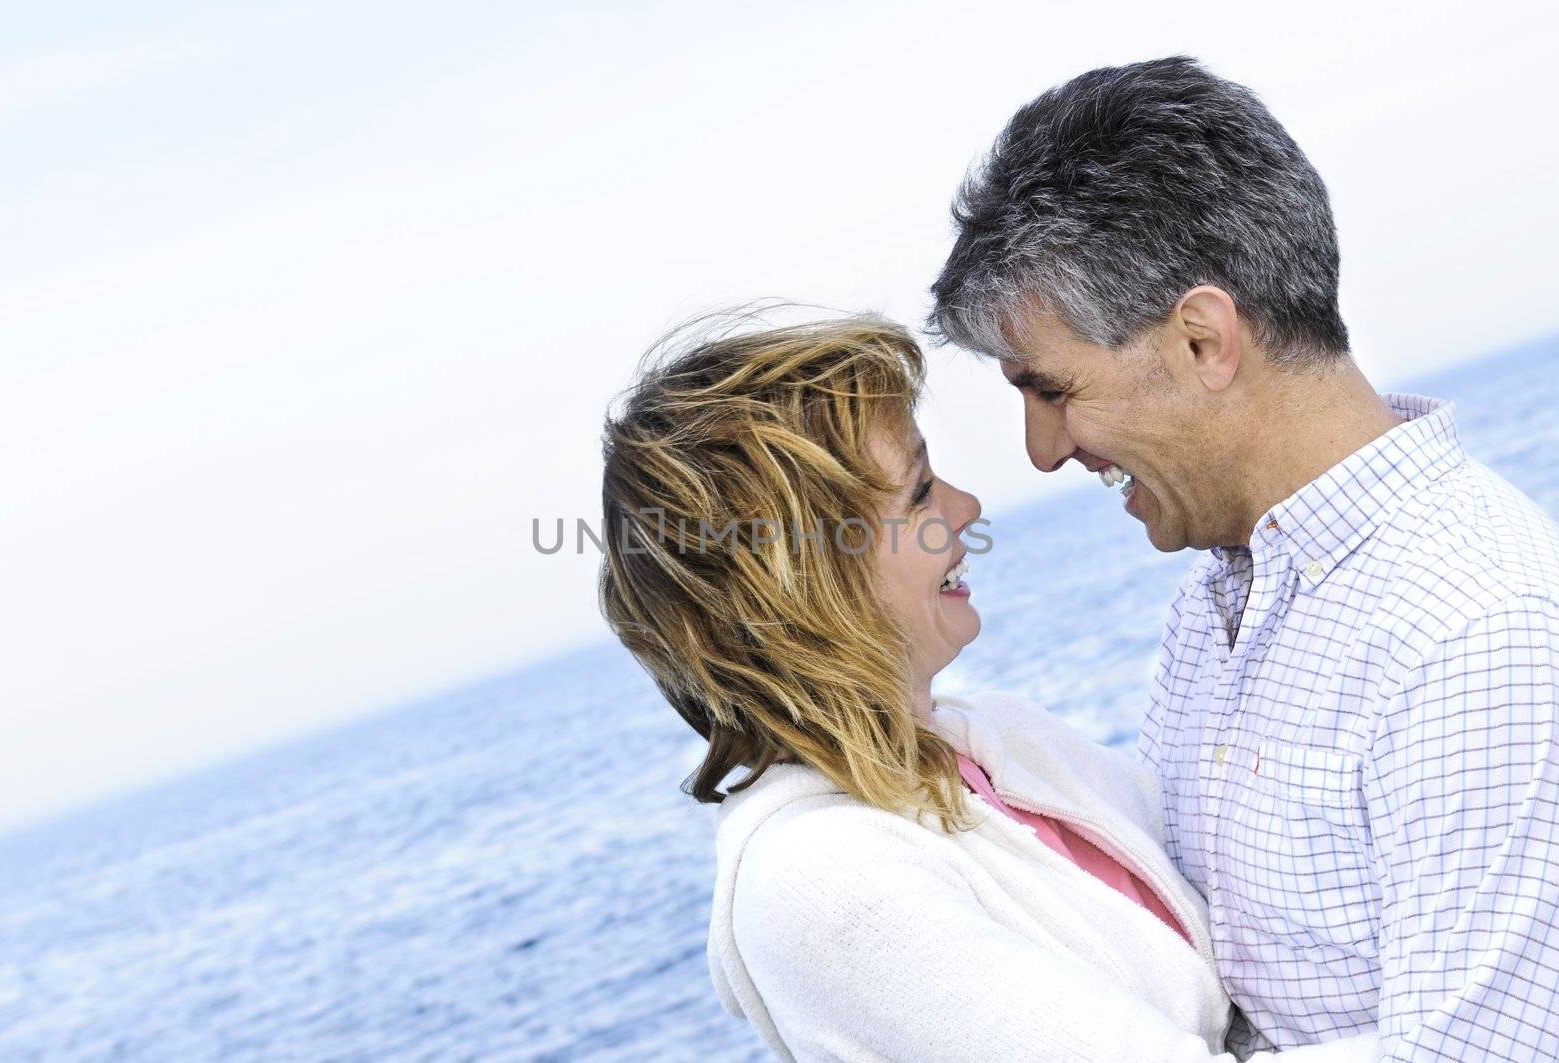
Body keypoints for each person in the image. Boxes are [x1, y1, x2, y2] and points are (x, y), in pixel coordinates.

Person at [927, 55, 1559, 1059]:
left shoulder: (1474, 636)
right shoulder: (1218, 597)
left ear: (1201, 340)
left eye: (1050, 390)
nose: (1042, 451)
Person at [598, 315, 1374, 1061]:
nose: (967, 510)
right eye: (921, 492)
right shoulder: (820, 885)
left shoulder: (1002, 740)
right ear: (805, 584)